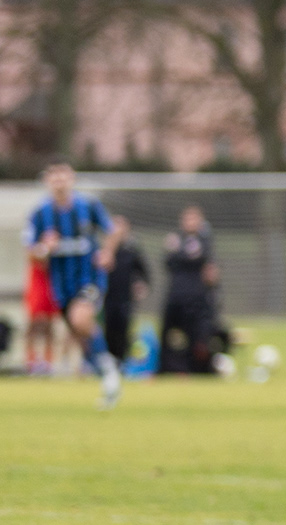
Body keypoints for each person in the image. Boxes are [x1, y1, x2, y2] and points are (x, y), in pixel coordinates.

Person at [23, 162, 122, 406]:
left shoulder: (88, 206)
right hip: (61, 286)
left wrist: (108, 252)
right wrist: (45, 248)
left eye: (63, 175)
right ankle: (106, 372)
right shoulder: (40, 214)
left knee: (80, 318)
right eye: (53, 175)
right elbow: (32, 253)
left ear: (72, 178)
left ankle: (109, 369)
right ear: (47, 180)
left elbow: (113, 231)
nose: (59, 180)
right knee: (80, 333)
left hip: (90, 279)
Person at [160, 206, 223, 374]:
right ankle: (165, 369)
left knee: (196, 338)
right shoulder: (174, 239)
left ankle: (195, 370)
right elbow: (168, 263)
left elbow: (210, 270)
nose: (190, 222)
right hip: (176, 296)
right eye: (187, 218)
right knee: (168, 335)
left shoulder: (205, 241)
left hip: (196, 298)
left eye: (194, 218)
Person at [101, 215, 151, 366]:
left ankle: (122, 363)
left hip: (125, 297)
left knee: (124, 330)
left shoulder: (132, 250)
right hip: (107, 297)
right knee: (108, 329)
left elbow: (144, 272)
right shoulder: (104, 250)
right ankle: (108, 361)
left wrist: (141, 285)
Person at [22, 247, 57, 375]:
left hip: (52, 283)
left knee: (49, 326)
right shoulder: (34, 234)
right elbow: (30, 254)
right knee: (34, 324)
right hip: (37, 284)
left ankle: (48, 362)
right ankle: (31, 361)